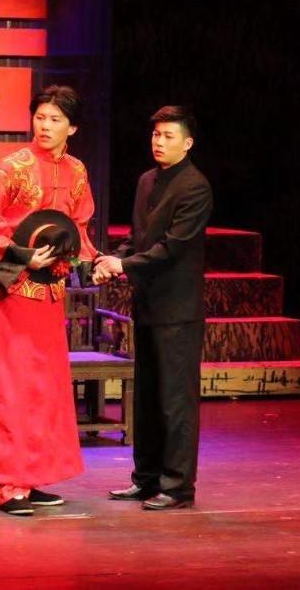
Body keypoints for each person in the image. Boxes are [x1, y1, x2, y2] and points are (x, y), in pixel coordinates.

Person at [0, 84, 99, 516]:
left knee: (44, 389)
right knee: (12, 389)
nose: (45, 126)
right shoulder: (13, 168)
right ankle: (9, 484)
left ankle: (32, 476)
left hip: (50, 296)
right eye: (40, 117)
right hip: (15, 294)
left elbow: (79, 227)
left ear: (72, 128)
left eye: (55, 119)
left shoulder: (77, 172)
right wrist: (23, 256)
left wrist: (86, 260)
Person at [94, 105, 213, 511]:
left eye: (168, 136)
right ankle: (146, 479)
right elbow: (139, 238)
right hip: (147, 304)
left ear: (187, 143)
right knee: (146, 396)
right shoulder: (147, 180)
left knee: (175, 400)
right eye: (156, 135)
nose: (159, 142)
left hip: (177, 310)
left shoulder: (195, 186)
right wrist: (113, 259)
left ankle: (178, 486)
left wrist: (123, 265)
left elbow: (172, 247)